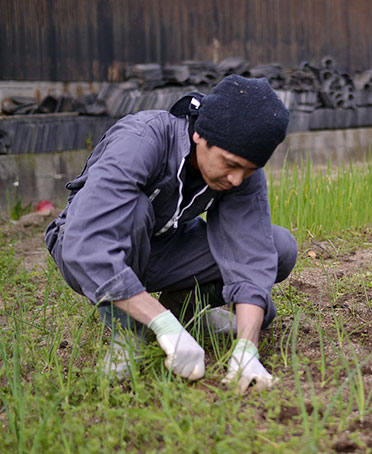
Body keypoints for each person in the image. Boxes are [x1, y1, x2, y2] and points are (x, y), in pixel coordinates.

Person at [45, 74, 298, 392]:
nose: (237, 179)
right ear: (200, 137)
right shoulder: (141, 139)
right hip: (83, 245)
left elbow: (251, 250)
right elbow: (89, 243)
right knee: (135, 212)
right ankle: (129, 331)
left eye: (248, 170)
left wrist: (247, 348)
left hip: (162, 247)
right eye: (231, 164)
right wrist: (160, 324)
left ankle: (185, 313)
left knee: (279, 247)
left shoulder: (240, 173)